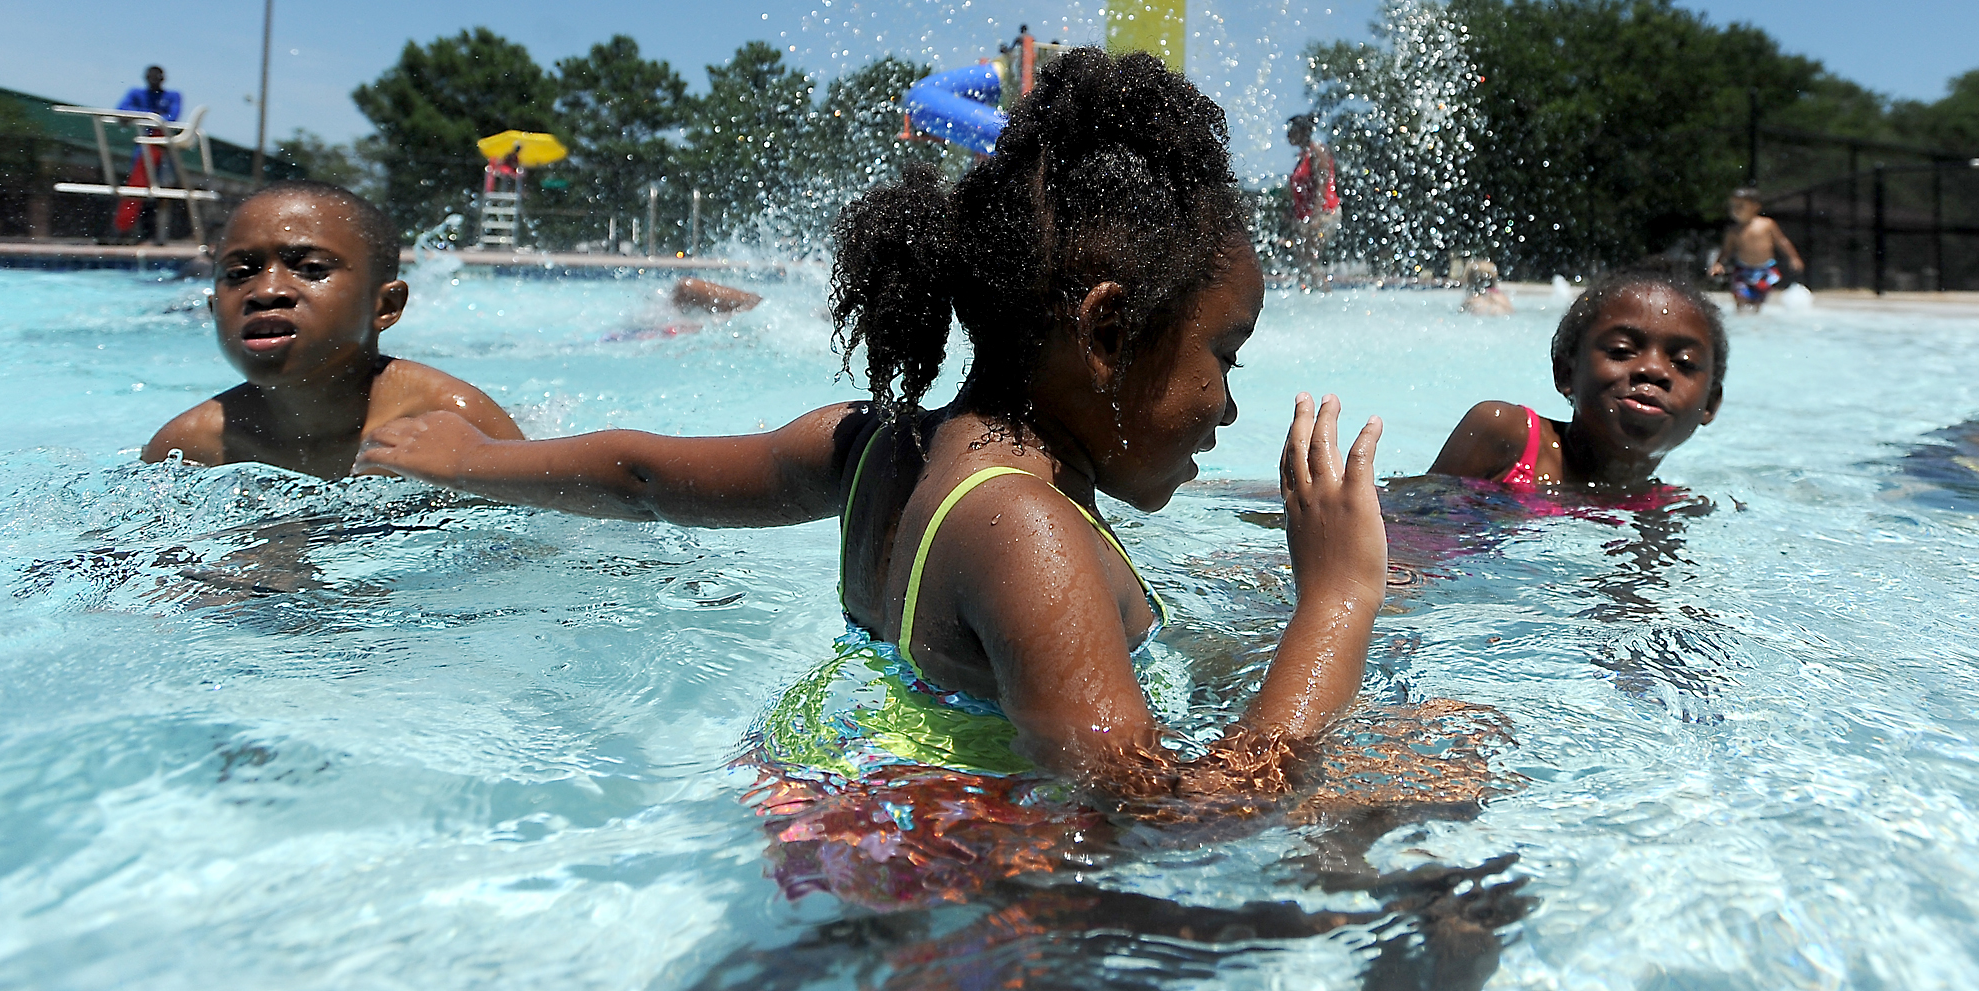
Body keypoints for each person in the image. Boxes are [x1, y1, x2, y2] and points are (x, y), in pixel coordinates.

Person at [356, 49, 1388, 795]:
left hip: (853, 810)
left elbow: (645, 476)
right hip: (965, 887)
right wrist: (1332, 605)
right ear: (1108, 331)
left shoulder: (872, 444)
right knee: (1412, 830)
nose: (1229, 402)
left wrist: (473, 457)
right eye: (1224, 354)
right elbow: (1169, 815)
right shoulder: (1025, 534)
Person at [144, 183, 523, 480]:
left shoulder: (453, 423)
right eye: (238, 275)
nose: (265, 291)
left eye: (310, 269)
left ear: (385, 307)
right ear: (213, 311)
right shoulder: (188, 448)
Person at [1428, 263, 1725, 490]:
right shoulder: (1509, 437)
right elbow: (1409, 534)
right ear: (1565, 372)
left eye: (1684, 362)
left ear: (1710, 403)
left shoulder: (1666, 511)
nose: (1653, 370)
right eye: (1621, 351)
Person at [1709, 186, 1805, 311]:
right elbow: (1726, 251)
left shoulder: (1767, 224)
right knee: (1740, 299)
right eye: (1733, 206)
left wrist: (1794, 257)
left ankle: (1755, 323)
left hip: (1765, 269)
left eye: (1740, 206)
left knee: (1757, 302)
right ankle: (1742, 319)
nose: (1735, 210)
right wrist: (1718, 263)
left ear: (1755, 206)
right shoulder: (1733, 231)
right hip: (1743, 270)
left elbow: (1782, 242)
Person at [115, 66, 183, 238]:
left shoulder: (172, 96)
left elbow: (171, 118)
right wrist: (152, 115)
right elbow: (122, 110)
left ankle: (156, 236)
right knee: (135, 192)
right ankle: (127, 233)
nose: (154, 80)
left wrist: (144, 116)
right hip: (141, 153)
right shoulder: (136, 94)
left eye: (157, 77)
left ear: (163, 79)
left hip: (163, 151)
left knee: (161, 193)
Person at [1285, 113, 1341, 286]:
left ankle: (1325, 295)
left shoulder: (1318, 151)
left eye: (1291, 130)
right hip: (1308, 216)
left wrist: (1315, 218)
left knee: (1309, 258)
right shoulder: (1303, 155)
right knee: (1303, 259)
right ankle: (1307, 297)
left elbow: (1322, 187)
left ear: (1303, 132)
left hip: (1324, 214)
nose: (1288, 134)